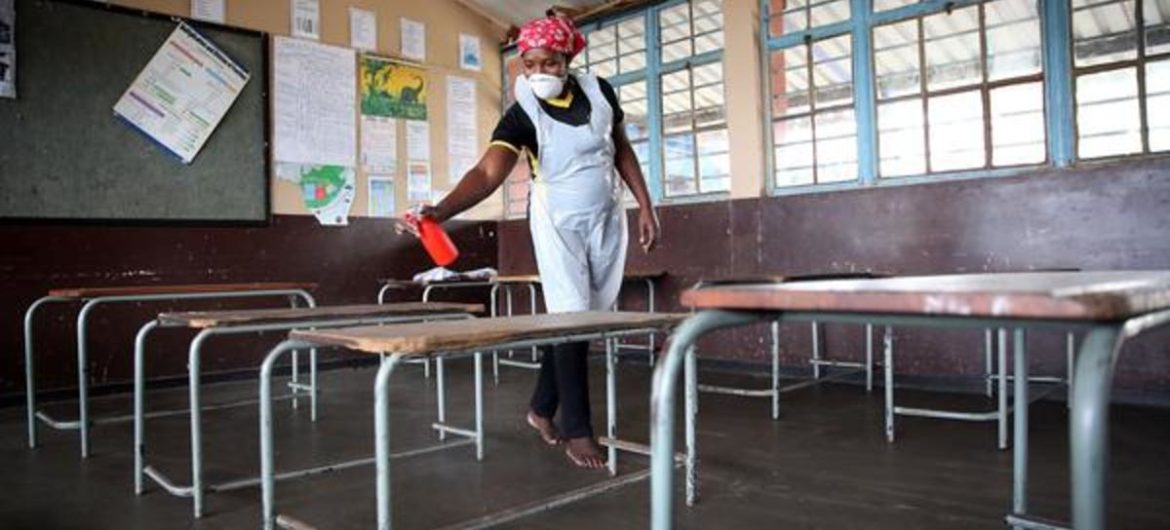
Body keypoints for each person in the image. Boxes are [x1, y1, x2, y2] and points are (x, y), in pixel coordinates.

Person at [409, 11, 659, 469]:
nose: (538, 72)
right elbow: (487, 172)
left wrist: (646, 205)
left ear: (567, 59)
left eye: (549, 63)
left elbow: (621, 148)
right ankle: (578, 430)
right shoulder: (522, 113)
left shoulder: (600, 92)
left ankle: (541, 407)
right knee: (572, 318)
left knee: (588, 318)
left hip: (606, 216)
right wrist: (441, 211)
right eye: (529, 64)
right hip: (557, 220)